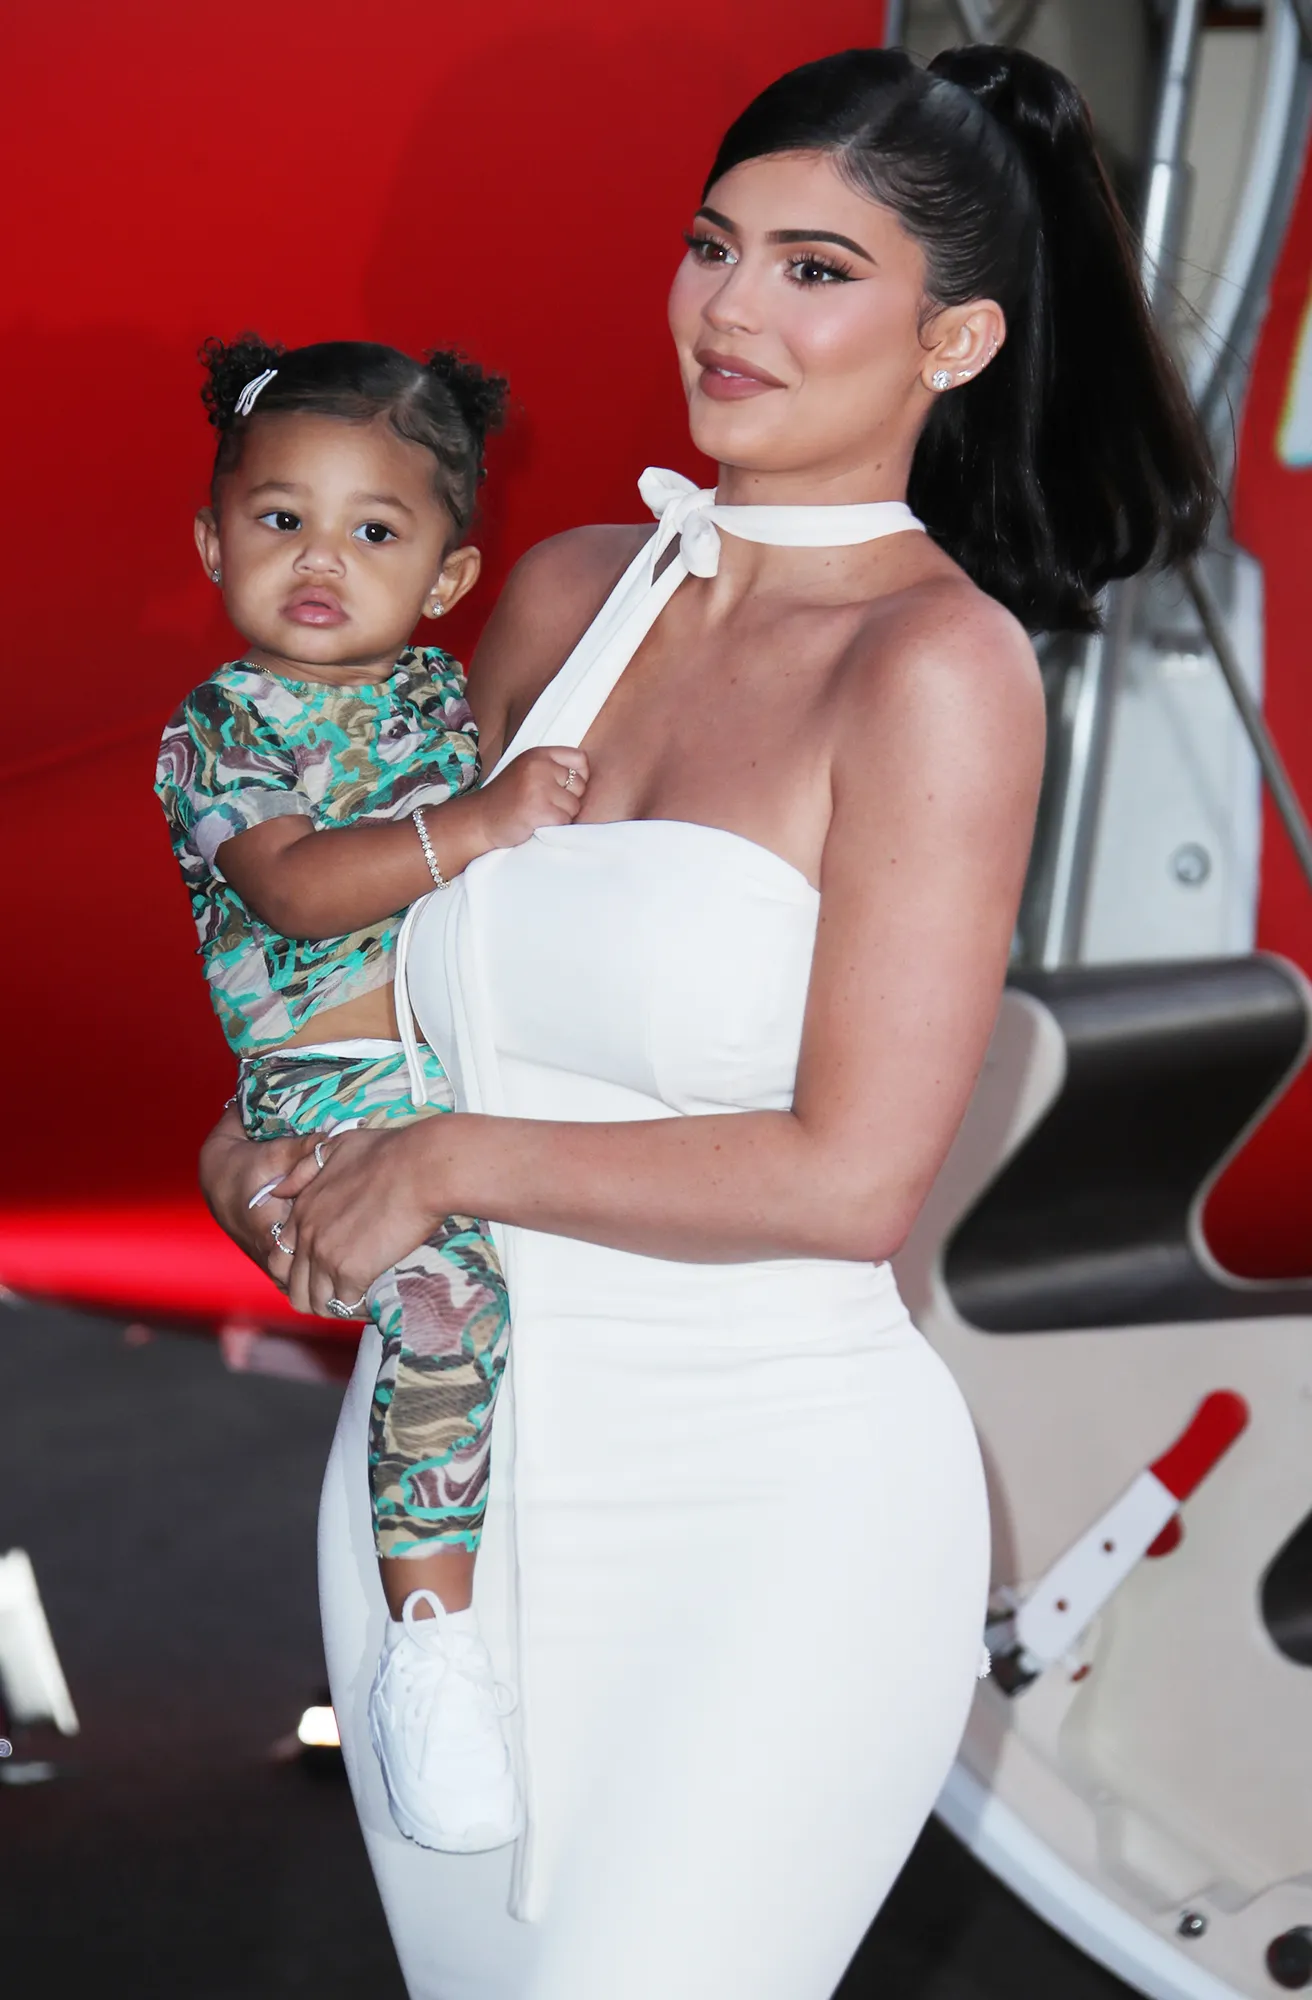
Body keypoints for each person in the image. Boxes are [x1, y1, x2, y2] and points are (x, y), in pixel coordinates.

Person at [199, 44, 1214, 2000]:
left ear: (956, 340)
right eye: (711, 244)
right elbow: (359, 987)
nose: (730, 309)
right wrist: (263, 1152)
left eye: (816, 270)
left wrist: (443, 1161)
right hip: (436, 1519)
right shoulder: (559, 599)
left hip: (764, 1517)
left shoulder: (937, 667)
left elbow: (850, 1178)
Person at [157, 335, 593, 1855]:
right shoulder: (223, 728)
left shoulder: (447, 700)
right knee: (443, 1313)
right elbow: (291, 886)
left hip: (463, 1084)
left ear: (450, 575)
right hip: (331, 1101)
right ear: (212, 542)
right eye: (281, 520)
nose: (321, 560)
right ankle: (430, 1644)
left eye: (375, 529)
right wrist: (472, 827)